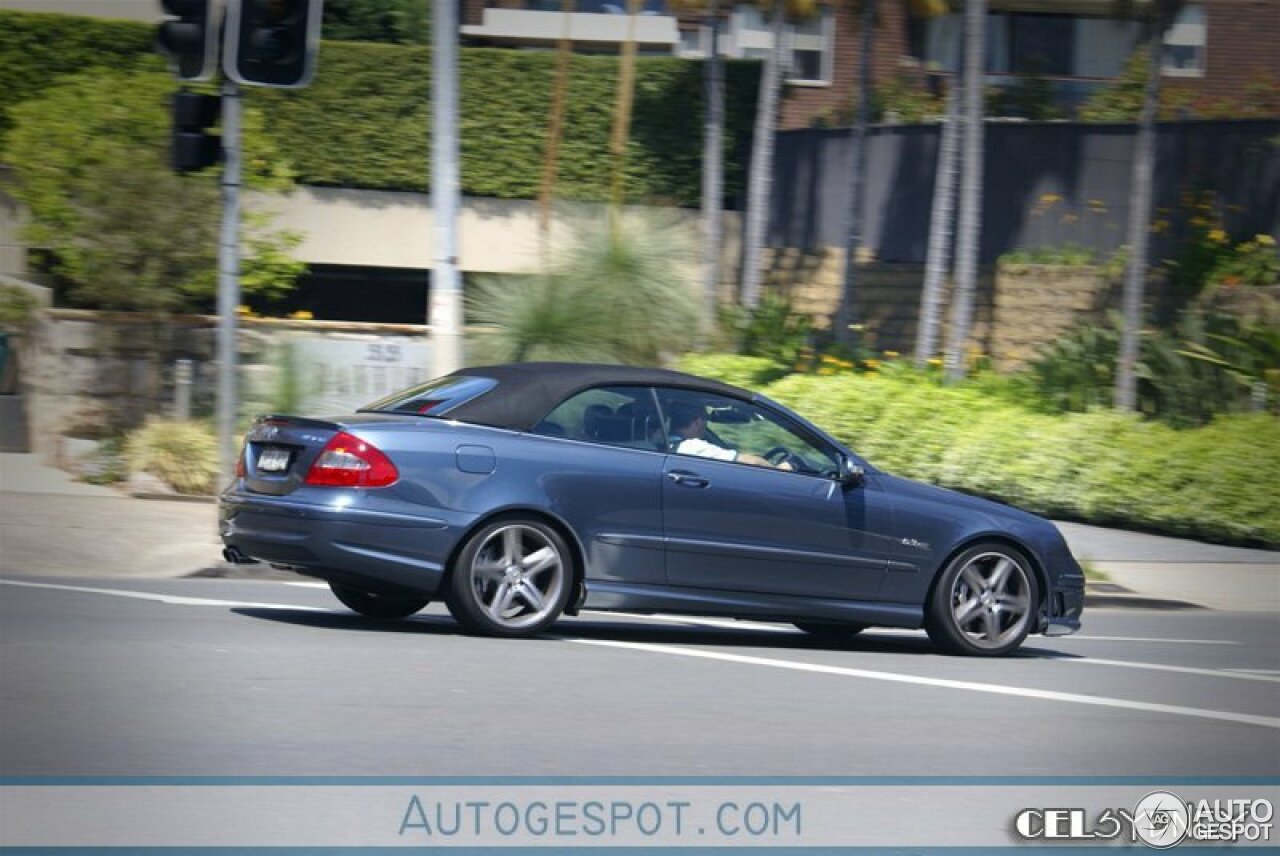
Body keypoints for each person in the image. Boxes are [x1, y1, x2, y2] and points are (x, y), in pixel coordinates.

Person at [667, 403, 791, 470]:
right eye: (706, 420)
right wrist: (780, 469)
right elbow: (753, 463)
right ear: (698, 422)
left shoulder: (665, 441)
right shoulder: (693, 447)